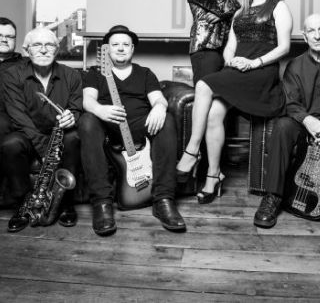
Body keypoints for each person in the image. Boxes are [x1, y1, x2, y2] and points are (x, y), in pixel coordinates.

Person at [176, 0, 293, 204]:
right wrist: (231, 61)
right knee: (213, 115)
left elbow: (284, 47)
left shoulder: (279, 7)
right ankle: (213, 175)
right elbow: (230, 46)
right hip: (239, 70)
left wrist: (254, 63)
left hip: (261, 73)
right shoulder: (239, 12)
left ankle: (192, 150)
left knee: (203, 84)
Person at [253, 14, 320, 242]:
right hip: (305, 124)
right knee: (282, 126)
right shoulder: (295, 65)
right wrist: (309, 121)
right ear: (304, 36)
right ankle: (273, 196)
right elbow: (291, 103)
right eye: (312, 31)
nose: (318, 35)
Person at [78, 25, 186, 236]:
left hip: (139, 127)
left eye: (125, 44)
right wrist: (100, 110)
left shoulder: (145, 73)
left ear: (132, 49)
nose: (120, 48)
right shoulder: (95, 73)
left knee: (167, 119)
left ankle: (163, 200)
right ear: (107, 49)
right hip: (107, 128)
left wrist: (159, 107)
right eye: (115, 44)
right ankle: (102, 203)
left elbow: (158, 98)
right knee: (87, 121)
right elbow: (87, 100)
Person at [0, 26, 82, 232]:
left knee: (73, 137)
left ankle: (67, 203)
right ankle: (22, 204)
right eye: (37, 45)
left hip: (61, 134)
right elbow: (19, 118)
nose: (44, 50)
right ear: (26, 50)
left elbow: (77, 108)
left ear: (57, 50)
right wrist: (46, 150)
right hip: (28, 133)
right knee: (10, 144)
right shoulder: (11, 75)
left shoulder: (72, 75)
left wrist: (72, 117)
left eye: (49, 45)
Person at [0, 17, 22, 142]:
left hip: (11, 119)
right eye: (0, 35)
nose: (4, 39)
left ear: (15, 40)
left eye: (9, 36)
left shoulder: (27, 65)